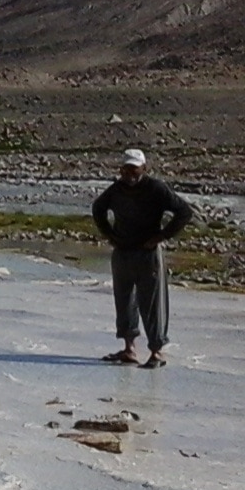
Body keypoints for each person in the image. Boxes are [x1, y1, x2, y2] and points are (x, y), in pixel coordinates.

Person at [91, 148, 194, 368]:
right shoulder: (116, 190)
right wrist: (110, 235)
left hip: (148, 254)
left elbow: (184, 212)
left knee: (152, 302)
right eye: (126, 168)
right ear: (121, 169)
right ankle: (129, 349)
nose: (130, 173)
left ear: (144, 169)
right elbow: (98, 208)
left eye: (134, 169)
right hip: (123, 252)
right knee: (124, 299)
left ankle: (156, 351)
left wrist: (161, 236)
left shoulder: (156, 189)